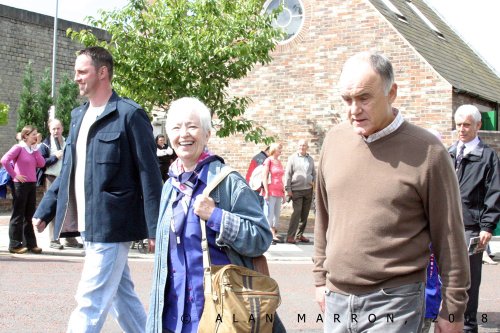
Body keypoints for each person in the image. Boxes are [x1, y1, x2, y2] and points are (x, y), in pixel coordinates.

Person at [313, 51, 470, 333]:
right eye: (347, 100)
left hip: (395, 303)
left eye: (364, 98)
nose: (353, 110)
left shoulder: (429, 153)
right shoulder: (334, 141)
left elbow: (449, 237)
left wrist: (453, 309)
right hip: (336, 299)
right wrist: (319, 280)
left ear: (392, 92)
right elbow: (324, 218)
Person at [32, 46, 162, 332]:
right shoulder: (78, 116)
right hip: (88, 225)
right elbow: (69, 170)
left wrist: (156, 227)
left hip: (113, 225)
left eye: (82, 71)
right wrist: (47, 208)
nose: (76, 78)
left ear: (102, 72)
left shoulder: (130, 115)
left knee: (90, 299)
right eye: (76, 72)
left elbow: (149, 175)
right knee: (120, 296)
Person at [146, 97, 284, 332]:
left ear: (207, 134)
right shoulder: (170, 187)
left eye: (192, 126)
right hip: (173, 316)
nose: (184, 134)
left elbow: (261, 238)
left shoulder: (227, 182)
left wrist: (217, 216)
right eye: (176, 128)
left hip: (221, 314)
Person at [449, 104, 500, 333]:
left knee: (469, 282)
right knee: (445, 280)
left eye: (467, 125)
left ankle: (468, 327)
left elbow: (494, 192)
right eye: (459, 124)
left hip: (472, 229)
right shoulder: (448, 153)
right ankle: (449, 322)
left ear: (478, 126)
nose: (462, 129)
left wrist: (487, 226)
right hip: (447, 228)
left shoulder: (488, 157)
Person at [38, 118, 82, 250]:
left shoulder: (68, 142)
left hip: (67, 178)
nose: (56, 131)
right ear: (49, 130)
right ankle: (54, 239)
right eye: (53, 129)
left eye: (58, 128)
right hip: (51, 178)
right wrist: (54, 157)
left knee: (70, 207)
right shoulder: (45, 145)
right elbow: (41, 163)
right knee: (53, 208)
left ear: (62, 128)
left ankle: (70, 238)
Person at [1, 125, 45, 254]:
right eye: (33, 134)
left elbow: (41, 164)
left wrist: (36, 149)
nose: (36, 136)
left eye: (36, 134)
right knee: (18, 215)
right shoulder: (18, 148)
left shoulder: (33, 150)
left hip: (31, 184)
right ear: (26, 136)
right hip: (20, 185)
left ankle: (30, 244)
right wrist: (15, 175)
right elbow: (4, 160)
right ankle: (14, 245)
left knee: (28, 215)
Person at [284, 139, 315, 243]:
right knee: (296, 213)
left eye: (304, 145)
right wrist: (288, 189)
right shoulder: (292, 158)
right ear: (298, 147)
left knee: (305, 215)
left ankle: (300, 235)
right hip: (296, 190)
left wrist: (314, 185)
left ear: (307, 147)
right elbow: (288, 174)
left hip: (308, 190)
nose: (302, 147)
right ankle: (290, 236)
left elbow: (313, 173)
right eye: (300, 145)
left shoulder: (310, 159)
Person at [262, 142, 286, 244]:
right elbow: (264, 177)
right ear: (274, 150)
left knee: (277, 214)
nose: (280, 150)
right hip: (271, 191)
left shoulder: (279, 162)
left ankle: (273, 233)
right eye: (279, 149)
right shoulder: (268, 161)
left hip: (279, 191)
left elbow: (281, 178)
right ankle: (269, 235)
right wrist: (266, 192)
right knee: (270, 214)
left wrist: (284, 193)